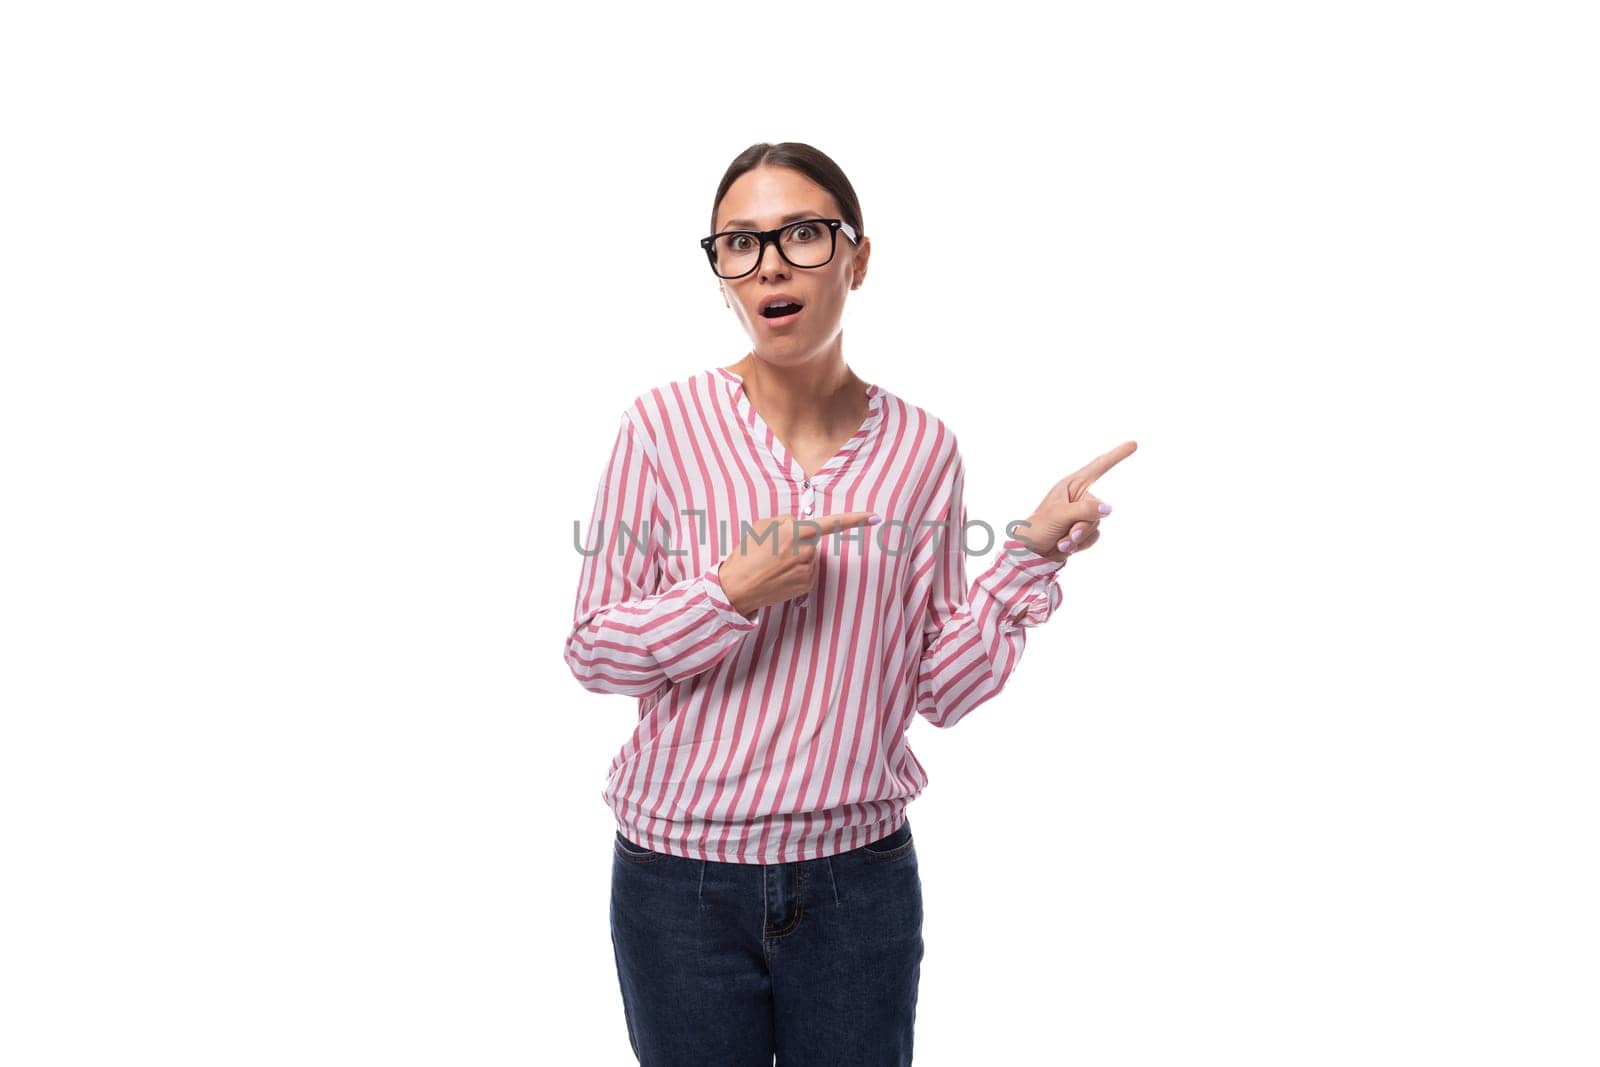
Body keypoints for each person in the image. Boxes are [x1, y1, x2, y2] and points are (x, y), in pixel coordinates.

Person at [564, 141, 1136, 1066]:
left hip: (857, 886)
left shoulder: (923, 449)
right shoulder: (660, 427)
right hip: (680, 887)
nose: (772, 264)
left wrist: (1027, 557)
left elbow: (939, 693)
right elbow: (593, 650)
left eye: (802, 234)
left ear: (858, 258)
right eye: (739, 246)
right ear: (721, 276)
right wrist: (727, 594)